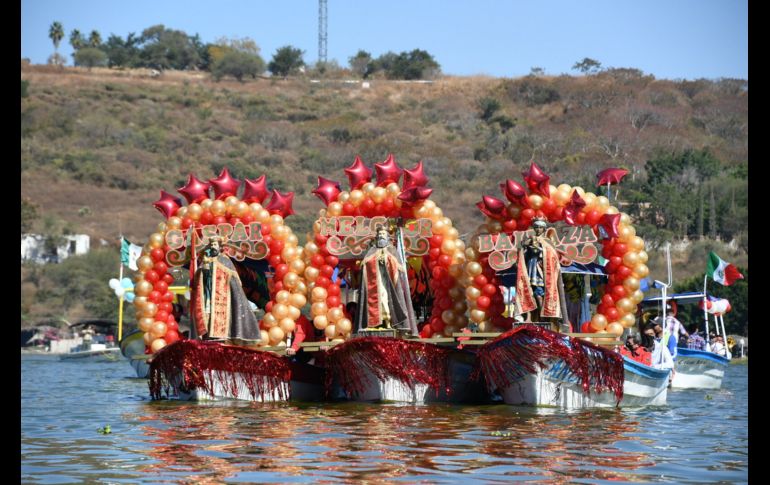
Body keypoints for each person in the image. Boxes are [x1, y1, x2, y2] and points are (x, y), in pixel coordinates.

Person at [189, 235, 261, 342]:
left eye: (215, 245)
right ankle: (208, 335)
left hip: (222, 296)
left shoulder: (225, 260)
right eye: (211, 245)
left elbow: (234, 281)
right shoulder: (206, 260)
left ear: (220, 247)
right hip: (208, 293)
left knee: (220, 316)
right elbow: (198, 279)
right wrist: (203, 270)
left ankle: (220, 335)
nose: (213, 247)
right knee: (207, 313)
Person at [353, 225, 418, 335]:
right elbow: (365, 264)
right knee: (378, 302)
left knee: (386, 300)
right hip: (375, 282)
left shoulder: (392, 250)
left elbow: (399, 267)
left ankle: (389, 322)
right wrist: (376, 261)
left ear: (387, 237)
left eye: (383, 234)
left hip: (388, 283)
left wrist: (387, 260)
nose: (381, 236)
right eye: (379, 234)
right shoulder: (372, 250)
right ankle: (376, 323)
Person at [515, 217, 562, 324]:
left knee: (539, 294)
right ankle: (529, 317)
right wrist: (525, 247)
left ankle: (543, 317)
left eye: (540, 227)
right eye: (536, 227)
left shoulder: (547, 241)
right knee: (528, 293)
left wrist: (541, 250)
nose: (538, 229)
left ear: (544, 229)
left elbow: (552, 255)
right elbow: (522, 252)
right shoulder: (529, 240)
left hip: (541, 270)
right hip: (530, 269)